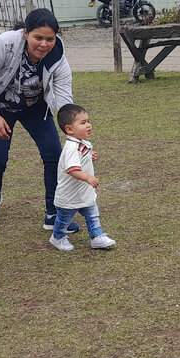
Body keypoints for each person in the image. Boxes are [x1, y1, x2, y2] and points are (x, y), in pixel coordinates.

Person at [0, 7, 78, 233]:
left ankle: (54, 211)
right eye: (38, 38)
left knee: (54, 154)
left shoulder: (58, 58)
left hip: (35, 107)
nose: (44, 44)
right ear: (25, 33)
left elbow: (64, 99)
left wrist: (74, 135)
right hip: (0, 106)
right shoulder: (4, 45)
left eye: (50, 39)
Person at [49, 103, 116, 251]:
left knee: (93, 215)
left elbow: (80, 159)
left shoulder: (81, 144)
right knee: (64, 219)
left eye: (88, 121)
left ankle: (97, 237)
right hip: (70, 195)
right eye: (83, 123)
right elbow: (72, 170)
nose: (88, 125)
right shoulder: (72, 148)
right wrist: (87, 178)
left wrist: (88, 156)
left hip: (83, 193)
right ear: (69, 129)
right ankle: (57, 237)